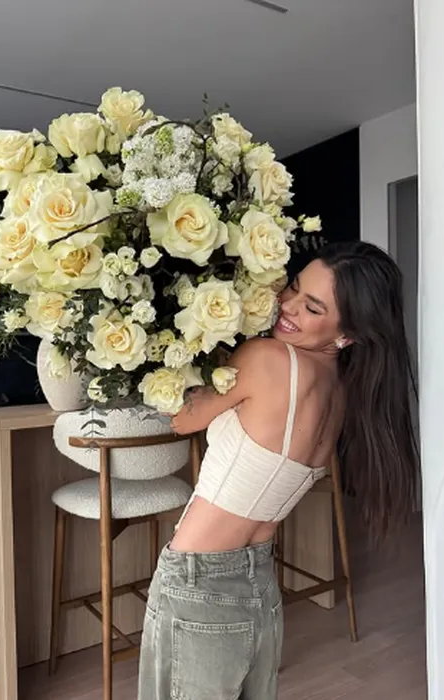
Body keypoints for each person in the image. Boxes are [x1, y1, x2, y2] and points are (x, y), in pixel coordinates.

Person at [137, 241, 420, 700]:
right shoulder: (340, 393)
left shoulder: (265, 358)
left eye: (312, 307)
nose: (287, 306)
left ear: (347, 335)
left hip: (198, 580)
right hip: (259, 584)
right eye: (293, 287)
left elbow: (181, 418)